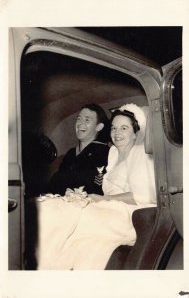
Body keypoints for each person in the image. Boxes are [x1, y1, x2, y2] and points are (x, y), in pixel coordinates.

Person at [36, 103, 156, 270]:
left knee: (64, 213)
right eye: (114, 128)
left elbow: (143, 196)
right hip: (109, 207)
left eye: (124, 128)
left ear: (136, 133)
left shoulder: (140, 154)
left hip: (131, 214)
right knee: (55, 213)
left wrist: (103, 199)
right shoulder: (113, 153)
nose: (116, 133)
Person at [47, 103, 110, 195]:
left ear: (98, 127)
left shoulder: (104, 152)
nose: (80, 123)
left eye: (87, 120)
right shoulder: (71, 153)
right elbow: (55, 182)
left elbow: (96, 187)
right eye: (79, 118)